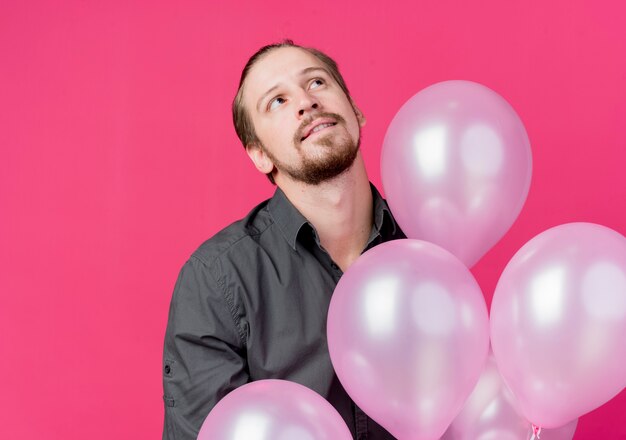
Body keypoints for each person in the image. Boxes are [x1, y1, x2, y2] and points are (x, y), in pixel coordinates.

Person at [162, 40, 405, 440]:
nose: (306, 102)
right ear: (260, 155)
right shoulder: (217, 281)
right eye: (277, 101)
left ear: (355, 111)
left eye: (316, 82)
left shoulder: (425, 248)